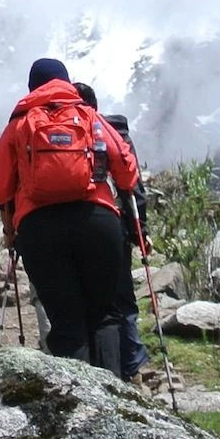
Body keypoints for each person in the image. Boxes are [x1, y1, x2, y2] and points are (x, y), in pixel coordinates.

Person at [0, 58, 141, 373]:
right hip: (98, 220)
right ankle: (114, 396)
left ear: (32, 87)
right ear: (67, 82)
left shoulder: (21, 122)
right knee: (105, 315)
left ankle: (78, 406)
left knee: (67, 321)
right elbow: (126, 169)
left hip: (40, 228)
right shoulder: (90, 116)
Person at [76, 83, 152, 379]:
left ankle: (92, 367)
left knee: (86, 299)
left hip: (76, 227)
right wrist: (139, 231)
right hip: (114, 226)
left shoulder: (63, 134)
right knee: (121, 299)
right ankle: (129, 366)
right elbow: (133, 188)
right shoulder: (113, 134)